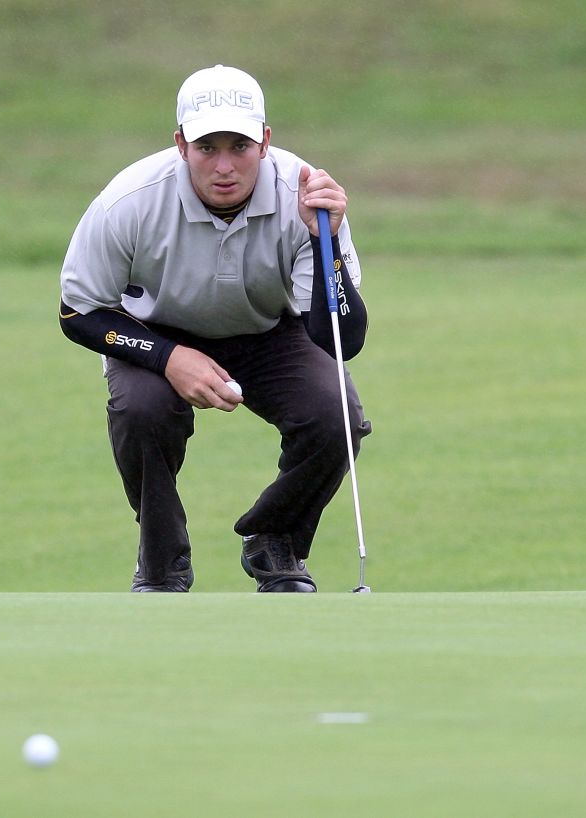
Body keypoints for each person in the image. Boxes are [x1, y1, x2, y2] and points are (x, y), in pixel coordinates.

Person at [59, 65, 371, 592]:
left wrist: (327, 244)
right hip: (156, 332)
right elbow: (77, 311)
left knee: (334, 414)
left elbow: (342, 338)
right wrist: (168, 358)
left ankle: (277, 541)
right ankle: (161, 563)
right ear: (181, 144)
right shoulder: (129, 201)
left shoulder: (308, 196)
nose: (224, 166)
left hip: (271, 329)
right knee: (141, 410)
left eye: (240, 146)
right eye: (207, 147)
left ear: (265, 142)